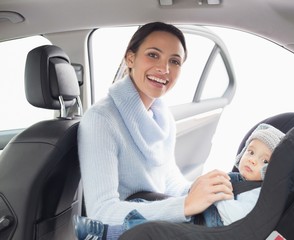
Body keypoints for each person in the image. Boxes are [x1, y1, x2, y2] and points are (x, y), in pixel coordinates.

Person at [75, 21, 233, 240]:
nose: (164, 69)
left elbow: (169, 182)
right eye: (153, 55)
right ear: (130, 58)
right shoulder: (101, 119)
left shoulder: (161, 116)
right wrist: (184, 206)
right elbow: (101, 213)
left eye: (174, 61)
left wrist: (204, 189)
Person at [74, 123, 285, 239]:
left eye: (263, 160)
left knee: (155, 225)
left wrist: (216, 197)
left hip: (214, 226)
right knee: (143, 207)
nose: (252, 160)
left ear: (271, 171)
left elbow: (237, 216)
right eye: (250, 152)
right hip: (205, 216)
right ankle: (107, 228)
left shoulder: (258, 193)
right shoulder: (237, 178)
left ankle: (102, 232)